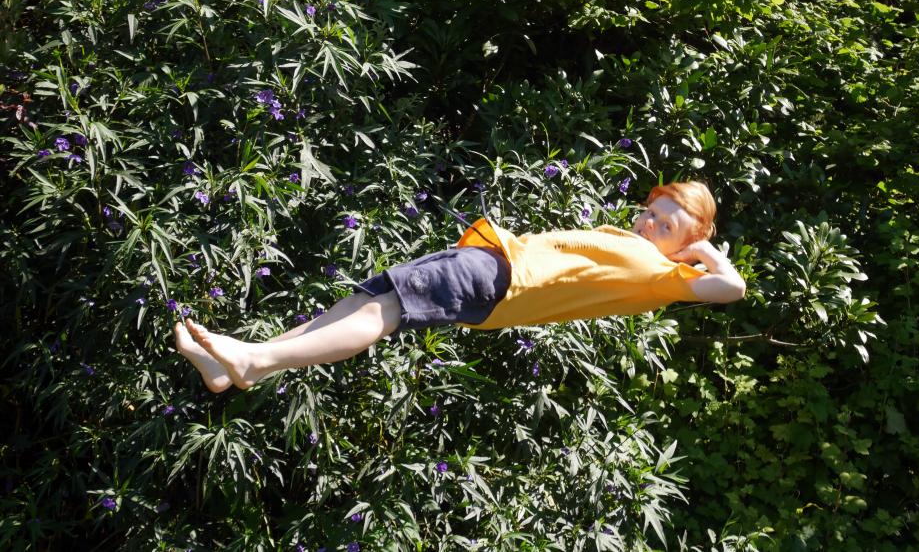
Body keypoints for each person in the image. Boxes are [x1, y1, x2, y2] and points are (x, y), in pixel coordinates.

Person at [175, 181, 745, 392]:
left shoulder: (662, 274)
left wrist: (704, 251)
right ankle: (242, 367)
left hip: (500, 278)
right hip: (487, 261)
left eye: (667, 225)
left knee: (385, 312)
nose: (649, 225)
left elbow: (731, 289)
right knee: (366, 300)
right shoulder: (637, 248)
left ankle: (254, 360)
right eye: (653, 212)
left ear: (686, 244)